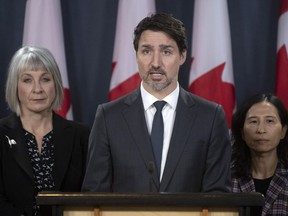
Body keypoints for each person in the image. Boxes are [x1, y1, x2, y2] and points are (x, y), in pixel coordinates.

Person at [82, 12, 231, 193]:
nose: (155, 63)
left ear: (182, 56)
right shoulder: (108, 117)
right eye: (146, 51)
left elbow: (218, 196)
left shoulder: (210, 117)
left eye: (166, 51)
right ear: (136, 56)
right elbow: (94, 194)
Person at [0, 46, 90, 216]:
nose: (37, 89)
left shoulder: (80, 135)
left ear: (55, 84)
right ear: (15, 86)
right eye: (27, 80)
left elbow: (90, 195)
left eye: (45, 79)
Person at [231, 93, 288, 215]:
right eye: (253, 121)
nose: (261, 129)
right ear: (242, 133)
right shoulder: (228, 179)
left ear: (283, 131)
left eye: (269, 121)